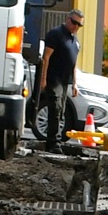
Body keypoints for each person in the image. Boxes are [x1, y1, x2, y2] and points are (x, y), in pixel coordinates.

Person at [38, 9, 84, 148]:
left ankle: (55, 141)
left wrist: (75, 83)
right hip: (54, 78)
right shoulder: (56, 34)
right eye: (74, 22)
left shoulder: (75, 40)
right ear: (68, 19)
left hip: (65, 81)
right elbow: (46, 57)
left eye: (79, 25)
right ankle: (53, 142)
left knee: (61, 110)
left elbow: (73, 63)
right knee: (55, 109)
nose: (76, 26)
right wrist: (43, 78)